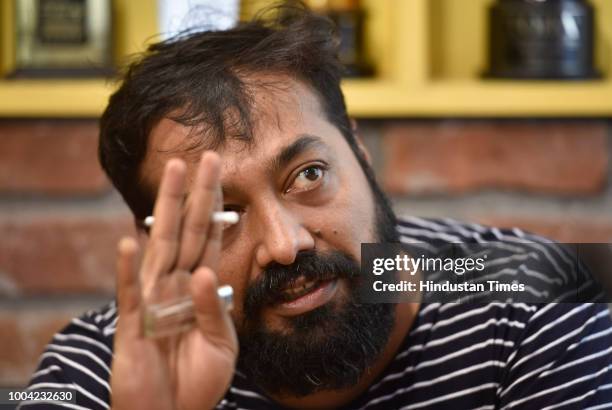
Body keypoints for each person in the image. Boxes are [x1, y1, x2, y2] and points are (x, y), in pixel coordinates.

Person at [21, 3, 612, 409]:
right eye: (220, 213)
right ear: (162, 239)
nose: (284, 244)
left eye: (308, 175)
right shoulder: (105, 360)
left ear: (358, 149)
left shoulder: (541, 290)